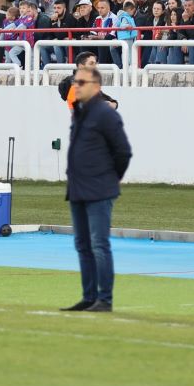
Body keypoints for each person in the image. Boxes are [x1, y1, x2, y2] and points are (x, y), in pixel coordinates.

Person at [61, 66, 132, 312]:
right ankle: (89, 296)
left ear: (96, 86)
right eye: (75, 82)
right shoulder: (79, 113)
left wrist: (111, 179)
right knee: (82, 244)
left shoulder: (106, 114)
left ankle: (105, 299)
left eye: (81, 82)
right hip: (78, 188)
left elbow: (123, 151)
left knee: (99, 245)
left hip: (99, 187)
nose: (76, 86)